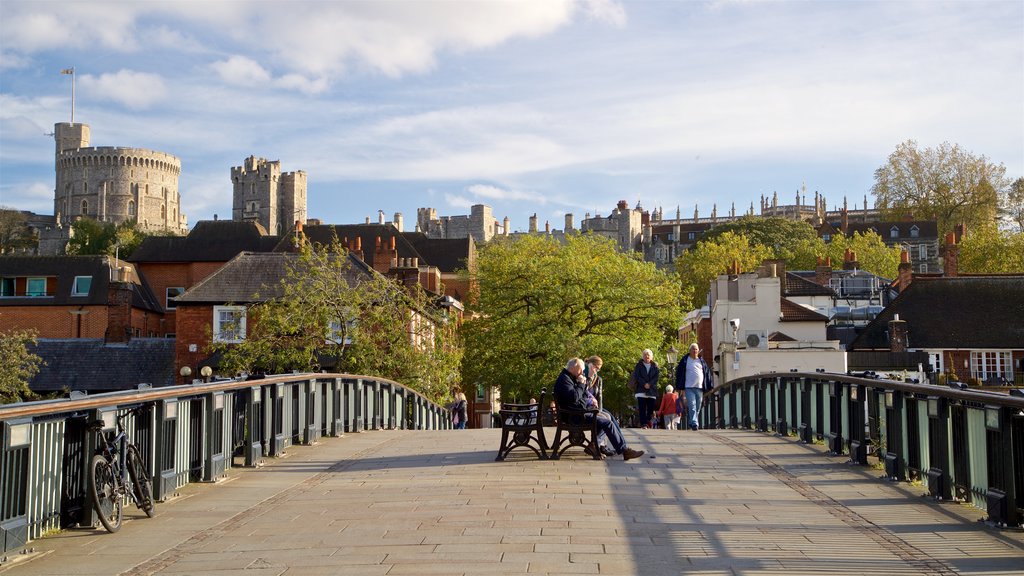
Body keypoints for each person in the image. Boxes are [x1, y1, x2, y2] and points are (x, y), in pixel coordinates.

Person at [554, 358, 645, 461]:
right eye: (580, 370)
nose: (582, 372)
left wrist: (585, 393)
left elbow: (580, 396)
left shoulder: (568, 377)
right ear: (573, 368)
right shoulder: (565, 379)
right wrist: (581, 384)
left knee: (607, 417)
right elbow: (574, 397)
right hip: (574, 416)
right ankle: (623, 450)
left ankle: (601, 446)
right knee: (607, 423)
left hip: (578, 412)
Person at [675, 343, 714, 430]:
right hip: (689, 387)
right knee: (692, 405)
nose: (695, 351)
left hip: (699, 387)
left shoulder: (701, 361)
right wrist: (679, 386)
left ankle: (692, 422)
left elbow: (707, 373)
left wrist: (710, 386)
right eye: (693, 349)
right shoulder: (685, 360)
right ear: (690, 351)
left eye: (696, 349)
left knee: (698, 406)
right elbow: (679, 372)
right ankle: (695, 424)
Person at [631, 349, 660, 428]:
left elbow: (656, 377)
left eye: (648, 355)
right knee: (642, 408)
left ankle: (647, 421)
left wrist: (649, 384)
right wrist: (644, 384)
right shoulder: (639, 365)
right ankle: (644, 424)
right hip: (641, 389)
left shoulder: (655, 366)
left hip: (651, 390)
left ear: (651, 357)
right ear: (643, 356)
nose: (647, 356)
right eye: (645, 355)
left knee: (650, 408)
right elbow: (637, 376)